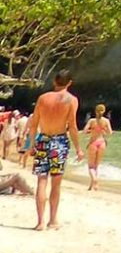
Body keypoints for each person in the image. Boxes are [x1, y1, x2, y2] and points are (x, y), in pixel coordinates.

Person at [25, 71, 83, 231]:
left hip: (43, 140)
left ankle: (40, 222)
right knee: (56, 184)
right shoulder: (71, 100)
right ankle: (52, 220)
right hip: (59, 141)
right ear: (69, 83)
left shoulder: (43, 98)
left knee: (41, 181)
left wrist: (30, 146)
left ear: (54, 81)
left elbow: (34, 123)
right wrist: (78, 148)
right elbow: (72, 126)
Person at [82, 103, 113, 192]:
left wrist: (91, 130)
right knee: (96, 165)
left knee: (91, 166)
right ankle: (92, 186)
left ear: (95, 111)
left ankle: (94, 180)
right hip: (102, 142)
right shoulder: (106, 121)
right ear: (104, 111)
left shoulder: (92, 121)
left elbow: (84, 131)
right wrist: (104, 130)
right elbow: (110, 132)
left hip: (93, 142)